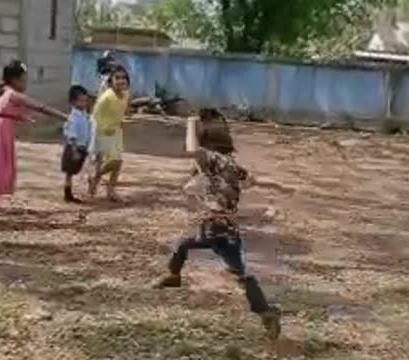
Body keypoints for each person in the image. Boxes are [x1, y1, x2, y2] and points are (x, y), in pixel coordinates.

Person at [153, 109, 282, 340]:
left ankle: (174, 276)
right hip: (227, 231)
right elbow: (254, 180)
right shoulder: (231, 163)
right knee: (238, 273)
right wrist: (280, 188)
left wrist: (190, 124)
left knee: (184, 245)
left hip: (217, 227)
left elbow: (192, 150)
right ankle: (266, 312)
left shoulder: (212, 159)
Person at [0, 60, 68, 224]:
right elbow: (40, 107)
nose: (25, 83)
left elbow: (1, 112)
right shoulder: (12, 94)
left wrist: (20, 117)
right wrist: (65, 117)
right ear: (14, 80)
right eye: (23, 79)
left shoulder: (1, 92)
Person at [88, 65, 130, 202]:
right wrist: (102, 130)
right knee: (114, 162)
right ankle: (96, 178)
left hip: (116, 132)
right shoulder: (106, 97)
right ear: (110, 80)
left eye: (124, 78)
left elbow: (121, 111)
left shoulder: (126, 95)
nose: (121, 80)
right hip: (103, 133)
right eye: (117, 78)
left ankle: (110, 190)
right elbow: (95, 115)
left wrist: (122, 121)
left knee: (117, 163)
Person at [61, 85, 93, 204]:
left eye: (85, 100)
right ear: (73, 102)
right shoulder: (73, 118)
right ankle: (68, 193)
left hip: (82, 147)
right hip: (74, 148)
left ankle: (87, 186)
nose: (84, 103)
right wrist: (74, 151)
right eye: (81, 101)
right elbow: (72, 136)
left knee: (78, 169)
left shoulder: (83, 114)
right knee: (70, 172)